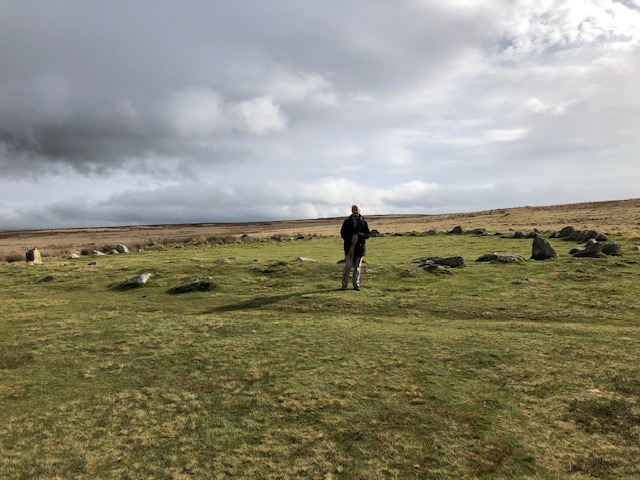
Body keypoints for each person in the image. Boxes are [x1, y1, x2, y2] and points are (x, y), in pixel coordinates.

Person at [340, 204, 371, 290]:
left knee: (357, 267)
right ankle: (344, 285)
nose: (355, 211)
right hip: (349, 247)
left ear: (359, 210)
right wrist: (350, 239)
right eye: (353, 209)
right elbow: (342, 234)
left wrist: (359, 236)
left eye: (356, 209)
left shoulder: (363, 222)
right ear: (351, 211)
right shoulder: (347, 222)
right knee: (348, 266)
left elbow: (368, 235)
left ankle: (356, 285)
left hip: (359, 247)